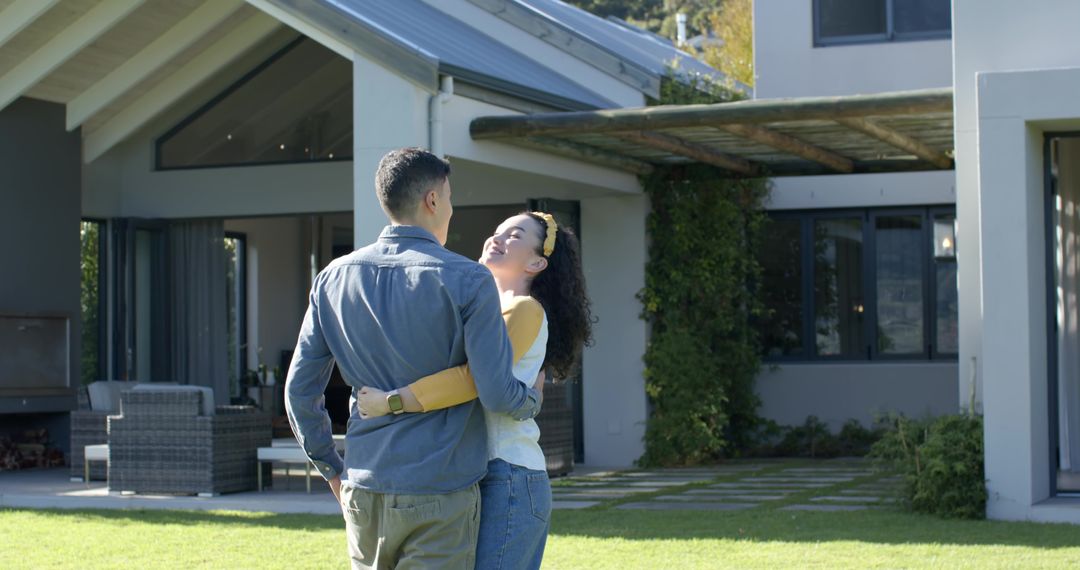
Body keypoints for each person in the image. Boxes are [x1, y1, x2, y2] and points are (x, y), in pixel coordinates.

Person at [284, 147, 542, 570]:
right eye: (450, 197)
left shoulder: (332, 277)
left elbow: (298, 392)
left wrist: (330, 467)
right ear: (433, 200)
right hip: (440, 489)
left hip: (363, 485)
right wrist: (531, 399)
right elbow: (495, 391)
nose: (452, 208)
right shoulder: (469, 279)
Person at [356, 211, 593, 570]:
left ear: (536, 263)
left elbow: (473, 379)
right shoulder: (484, 310)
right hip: (477, 474)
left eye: (515, 236)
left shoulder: (524, 309)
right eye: (497, 231)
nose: (497, 238)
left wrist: (392, 402)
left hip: (508, 476)